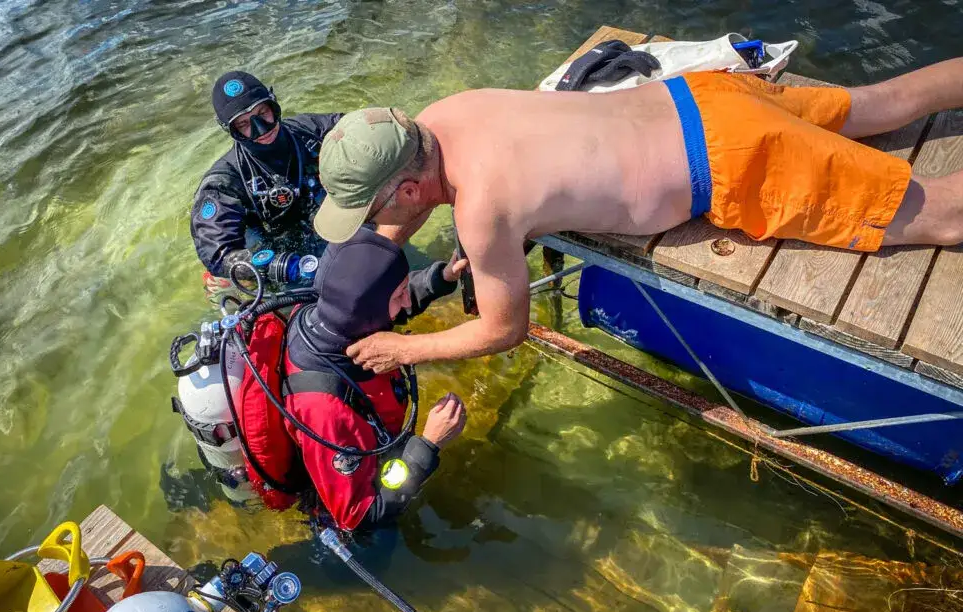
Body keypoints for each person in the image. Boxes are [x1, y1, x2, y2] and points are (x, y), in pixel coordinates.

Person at [309, 58, 963, 372]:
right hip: (704, 95)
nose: (378, 230)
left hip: (734, 157)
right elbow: (531, 171)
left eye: (373, 214)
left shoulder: (481, 208)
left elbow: (502, 331)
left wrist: (405, 347)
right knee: (878, 103)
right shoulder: (444, 114)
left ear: (409, 190)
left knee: (940, 215)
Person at [242, 226, 470, 531]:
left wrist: (440, 279)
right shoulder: (325, 412)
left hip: (364, 443)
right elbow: (360, 516)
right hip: (348, 503)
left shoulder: (319, 312)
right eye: (400, 294)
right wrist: (428, 445)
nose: (405, 302)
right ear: (368, 310)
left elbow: (385, 305)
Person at [190, 71, 341, 296]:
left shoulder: (311, 132)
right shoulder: (225, 182)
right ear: (230, 130)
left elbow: (370, 131)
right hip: (274, 254)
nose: (261, 129)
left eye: (263, 113)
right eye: (243, 124)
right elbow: (218, 253)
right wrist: (276, 267)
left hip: (326, 225)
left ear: (274, 105)